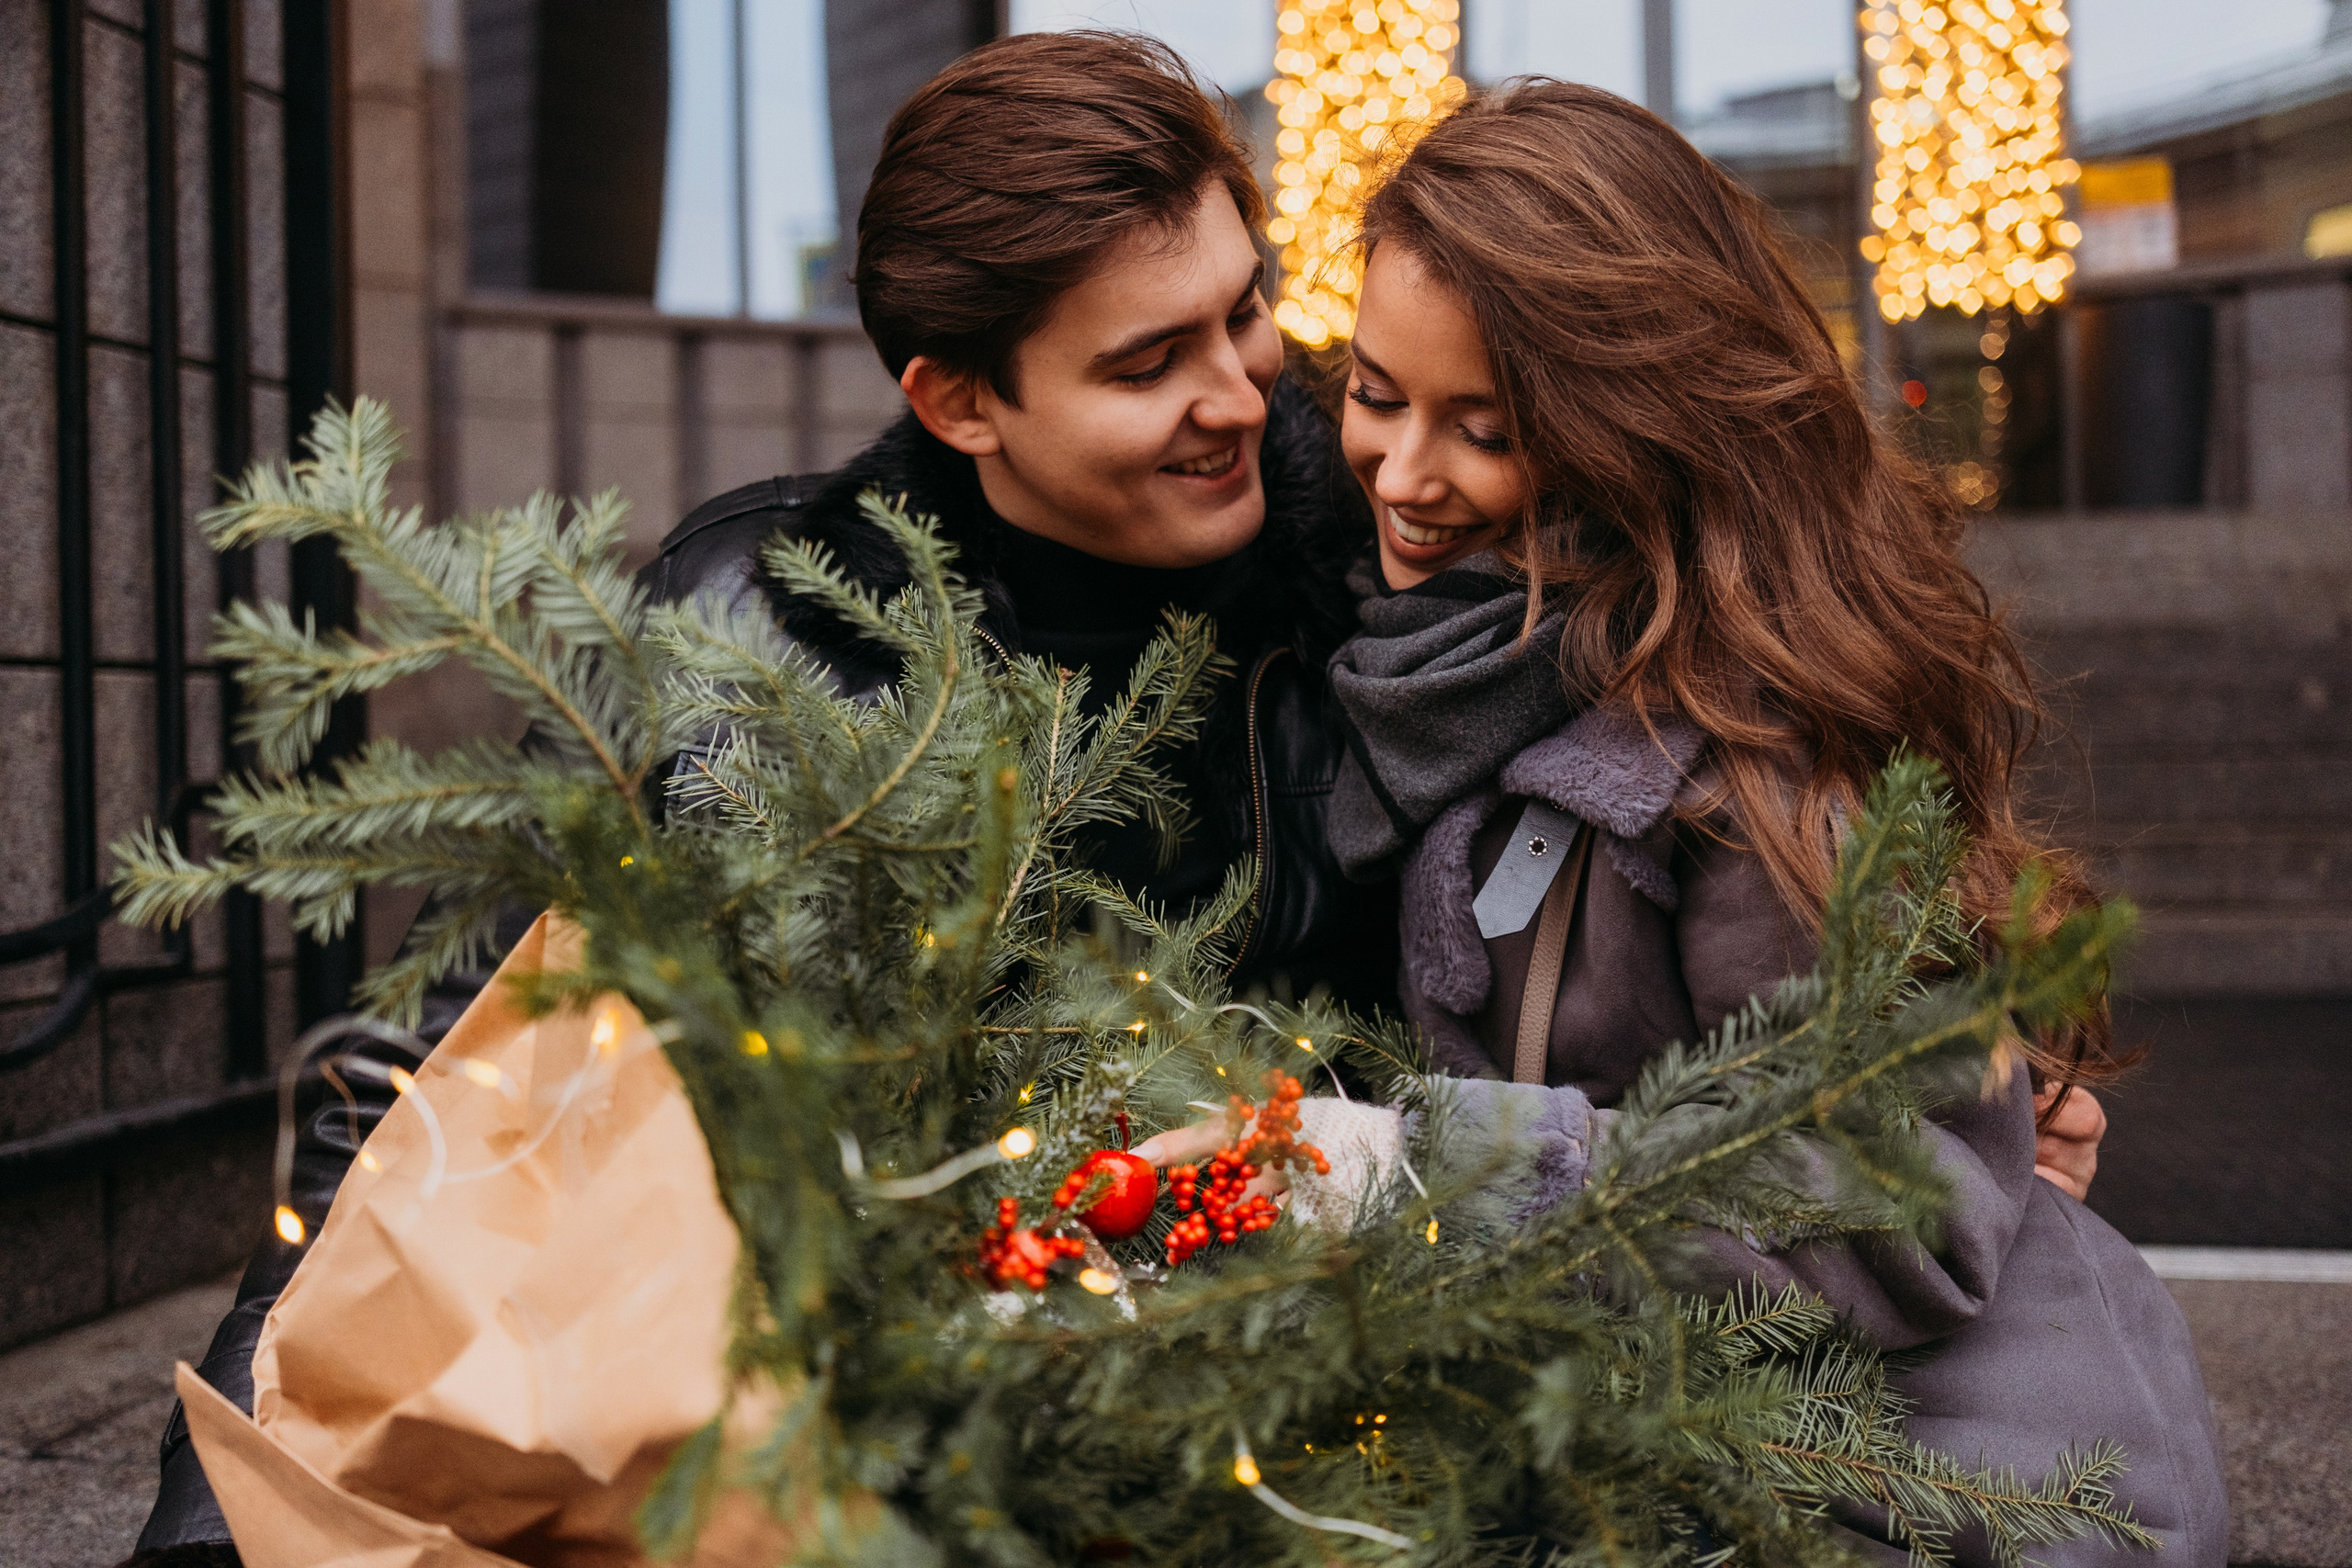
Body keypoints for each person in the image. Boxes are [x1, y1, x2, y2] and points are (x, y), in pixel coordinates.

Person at [129, 32, 1392, 1563]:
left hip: (1292, 1407)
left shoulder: (1392, 587)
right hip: (831, 1422)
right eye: (1147, 364)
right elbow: (443, 1076)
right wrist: (221, 1513)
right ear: (960, 400)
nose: (1239, 394)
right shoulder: (748, 627)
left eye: (1245, 310)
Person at [1139, 81, 2216, 1564]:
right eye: (1377, 395)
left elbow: (1891, 1200)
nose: (1404, 474)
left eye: (1484, 429)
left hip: (1917, 1500)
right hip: (1623, 1448)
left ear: (1626, 431)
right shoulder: (1441, 666)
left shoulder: (1754, 754)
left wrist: (1419, 1170)